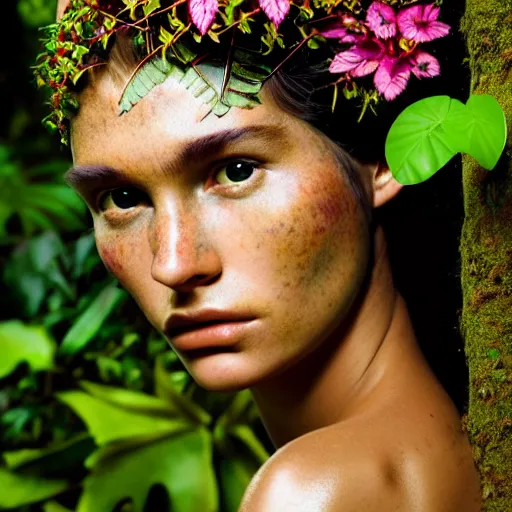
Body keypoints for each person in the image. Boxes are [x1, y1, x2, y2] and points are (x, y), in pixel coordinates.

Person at [52, 0, 482, 509]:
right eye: (122, 199)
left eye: (236, 172)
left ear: (381, 158)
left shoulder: (312, 492)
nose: (173, 264)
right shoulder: (434, 451)